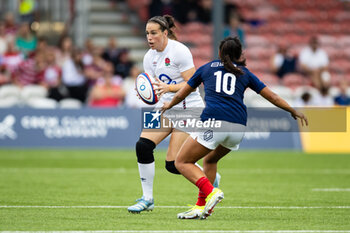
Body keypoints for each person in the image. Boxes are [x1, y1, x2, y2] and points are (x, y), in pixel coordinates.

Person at [161, 37, 308, 219]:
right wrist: (292, 110)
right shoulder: (245, 73)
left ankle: (211, 192)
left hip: (215, 123)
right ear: (240, 55)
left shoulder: (206, 68)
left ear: (220, 53)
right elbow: (273, 96)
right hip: (238, 127)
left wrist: (169, 104)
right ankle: (201, 207)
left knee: (181, 162)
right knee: (210, 161)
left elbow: (184, 91)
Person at [127, 15, 220, 215]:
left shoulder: (180, 51)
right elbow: (155, 89)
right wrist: (146, 94)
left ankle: (207, 175)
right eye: (147, 34)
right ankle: (147, 199)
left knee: (172, 164)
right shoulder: (148, 57)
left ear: (165, 33)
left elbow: (193, 85)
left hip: (189, 108)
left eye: (153, 33)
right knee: (142, 146)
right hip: (165, 108)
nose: (149, 38)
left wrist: (168, 87)